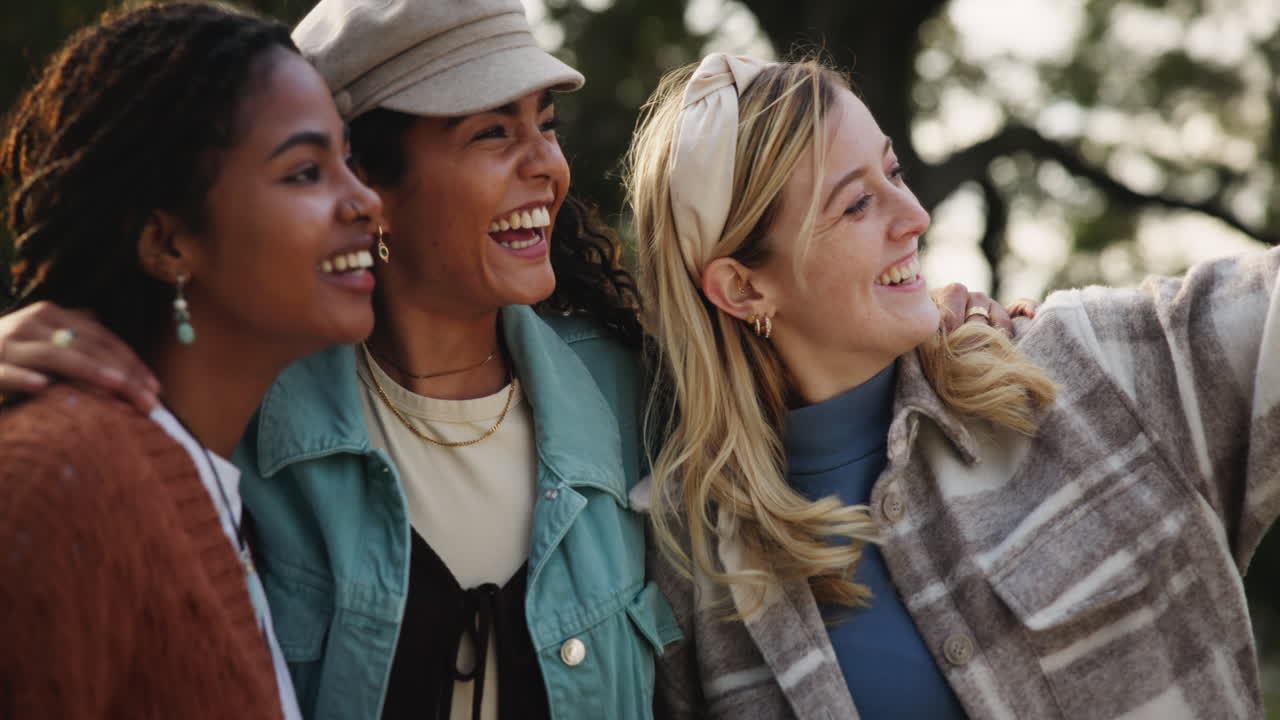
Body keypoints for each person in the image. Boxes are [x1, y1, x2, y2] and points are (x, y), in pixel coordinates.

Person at [626, 54, 1280, 719]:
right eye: (856, 203)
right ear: (743, 287)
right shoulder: (688, 565)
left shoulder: (1087, 369)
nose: (915, 215)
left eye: (894, 171)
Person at [0, 3, 382, 718]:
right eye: (305, 172)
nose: (364, 201)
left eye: (349, 161)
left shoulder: (195, 482)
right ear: (168, 244)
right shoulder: (61, 477)